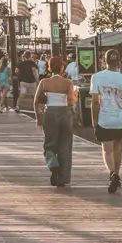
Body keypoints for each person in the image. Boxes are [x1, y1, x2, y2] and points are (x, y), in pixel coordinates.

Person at [89, 49, 122, 194]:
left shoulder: (97, 77)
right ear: (119, 61)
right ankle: (117, 174)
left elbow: (95, 102)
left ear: (104, 61)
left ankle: (112, 173)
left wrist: (94, 120)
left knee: (106, 150)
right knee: (117, 147)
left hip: (104, 118)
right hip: (119, 119)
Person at [34, 57, 77, 187]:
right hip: (65, 113)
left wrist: (38, 118)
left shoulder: (44, 82)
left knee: (49, 144)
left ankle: (53, 163)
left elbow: (36, 101)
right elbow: (70, 101)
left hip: (50, 113)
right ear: (62, 68)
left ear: (49, 67)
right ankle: (63, 177)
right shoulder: (68, 83)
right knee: (65, 145)